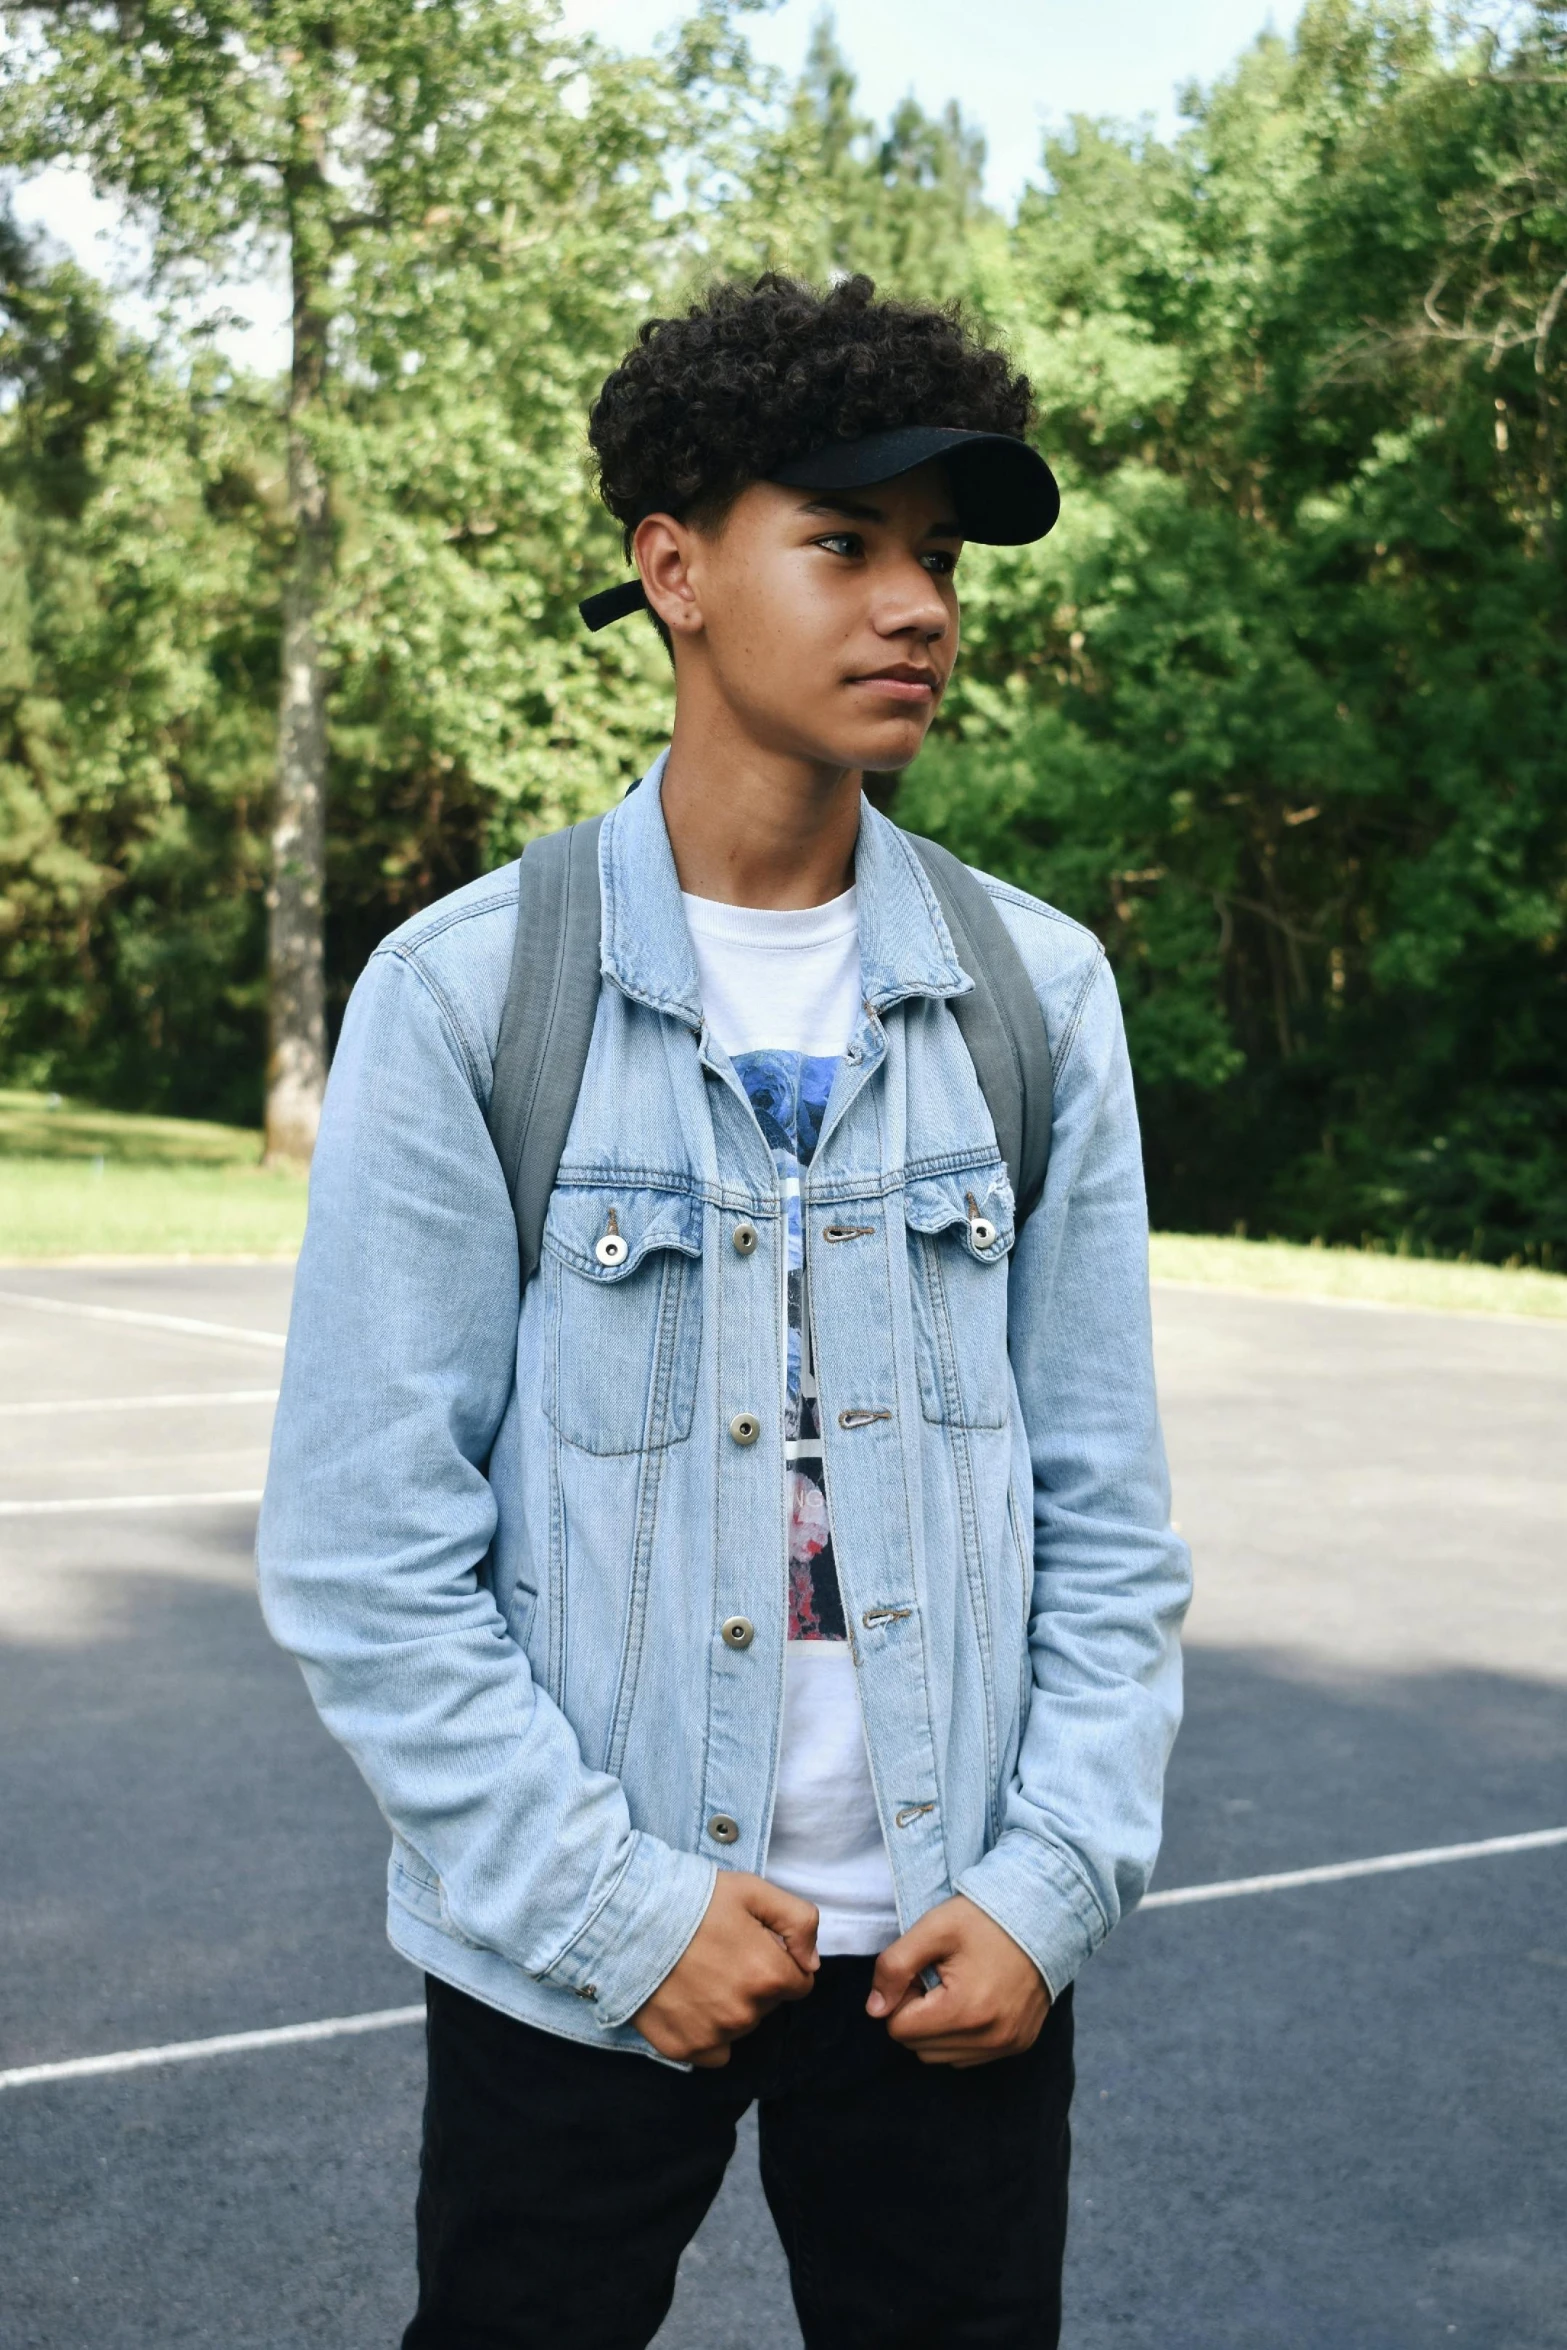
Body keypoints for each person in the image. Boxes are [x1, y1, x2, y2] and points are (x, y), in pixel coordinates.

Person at [258, 272, 1191, 2350]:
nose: (920, 605)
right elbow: (361, 1554)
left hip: (957, 1958)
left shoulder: (1037, 998)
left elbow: (1111, 1523)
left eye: (939, 559)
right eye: (845, 542)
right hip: (586, 1961)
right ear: (672, 567)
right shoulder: (471, 994)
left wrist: (1054, 1886)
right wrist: (619, 1910)